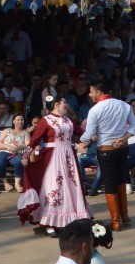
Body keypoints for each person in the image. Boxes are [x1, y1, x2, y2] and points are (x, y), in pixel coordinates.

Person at [18, 98, 91, 235]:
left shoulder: (68, 120)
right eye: (64, 102)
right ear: (57, 105)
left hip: (69, 157)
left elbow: (82, 133)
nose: (66, 105)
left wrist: (94, 134)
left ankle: (72, 219)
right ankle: (50, 222)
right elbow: (34, 140)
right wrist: (25, 156)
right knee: (54, 187)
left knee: (71, 187)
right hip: (53, 157)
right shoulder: (45, 120)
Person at [78, 82, 135, 232]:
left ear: (98, 92)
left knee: (110, 184)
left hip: (106, 149)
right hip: (122, 148)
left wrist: (80, 141)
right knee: (120, 179)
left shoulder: (95, 110)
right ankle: (124, 216)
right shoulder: (123, 105)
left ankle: (115, 221)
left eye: (91, 92)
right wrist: (124, 138)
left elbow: (89, 133)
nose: (90, 94)